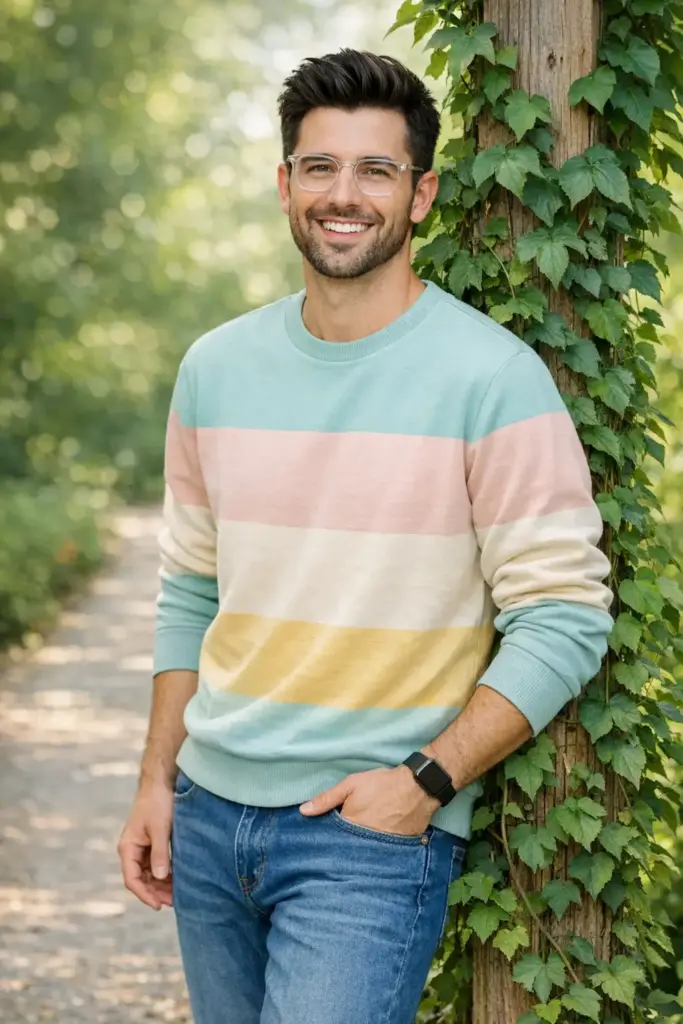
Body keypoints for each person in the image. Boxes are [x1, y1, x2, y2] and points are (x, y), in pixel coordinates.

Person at [118, 48, 613, 1024]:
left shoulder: (489, 378)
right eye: (320, 167)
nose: (343, 195)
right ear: (285, 185)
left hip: (366, 839)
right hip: (208, 818)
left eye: (375, 170)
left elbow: (563, 614)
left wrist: (425, 782)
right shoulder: (215, 367)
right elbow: (190, 589)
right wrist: (155, 782)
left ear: (420, 194)